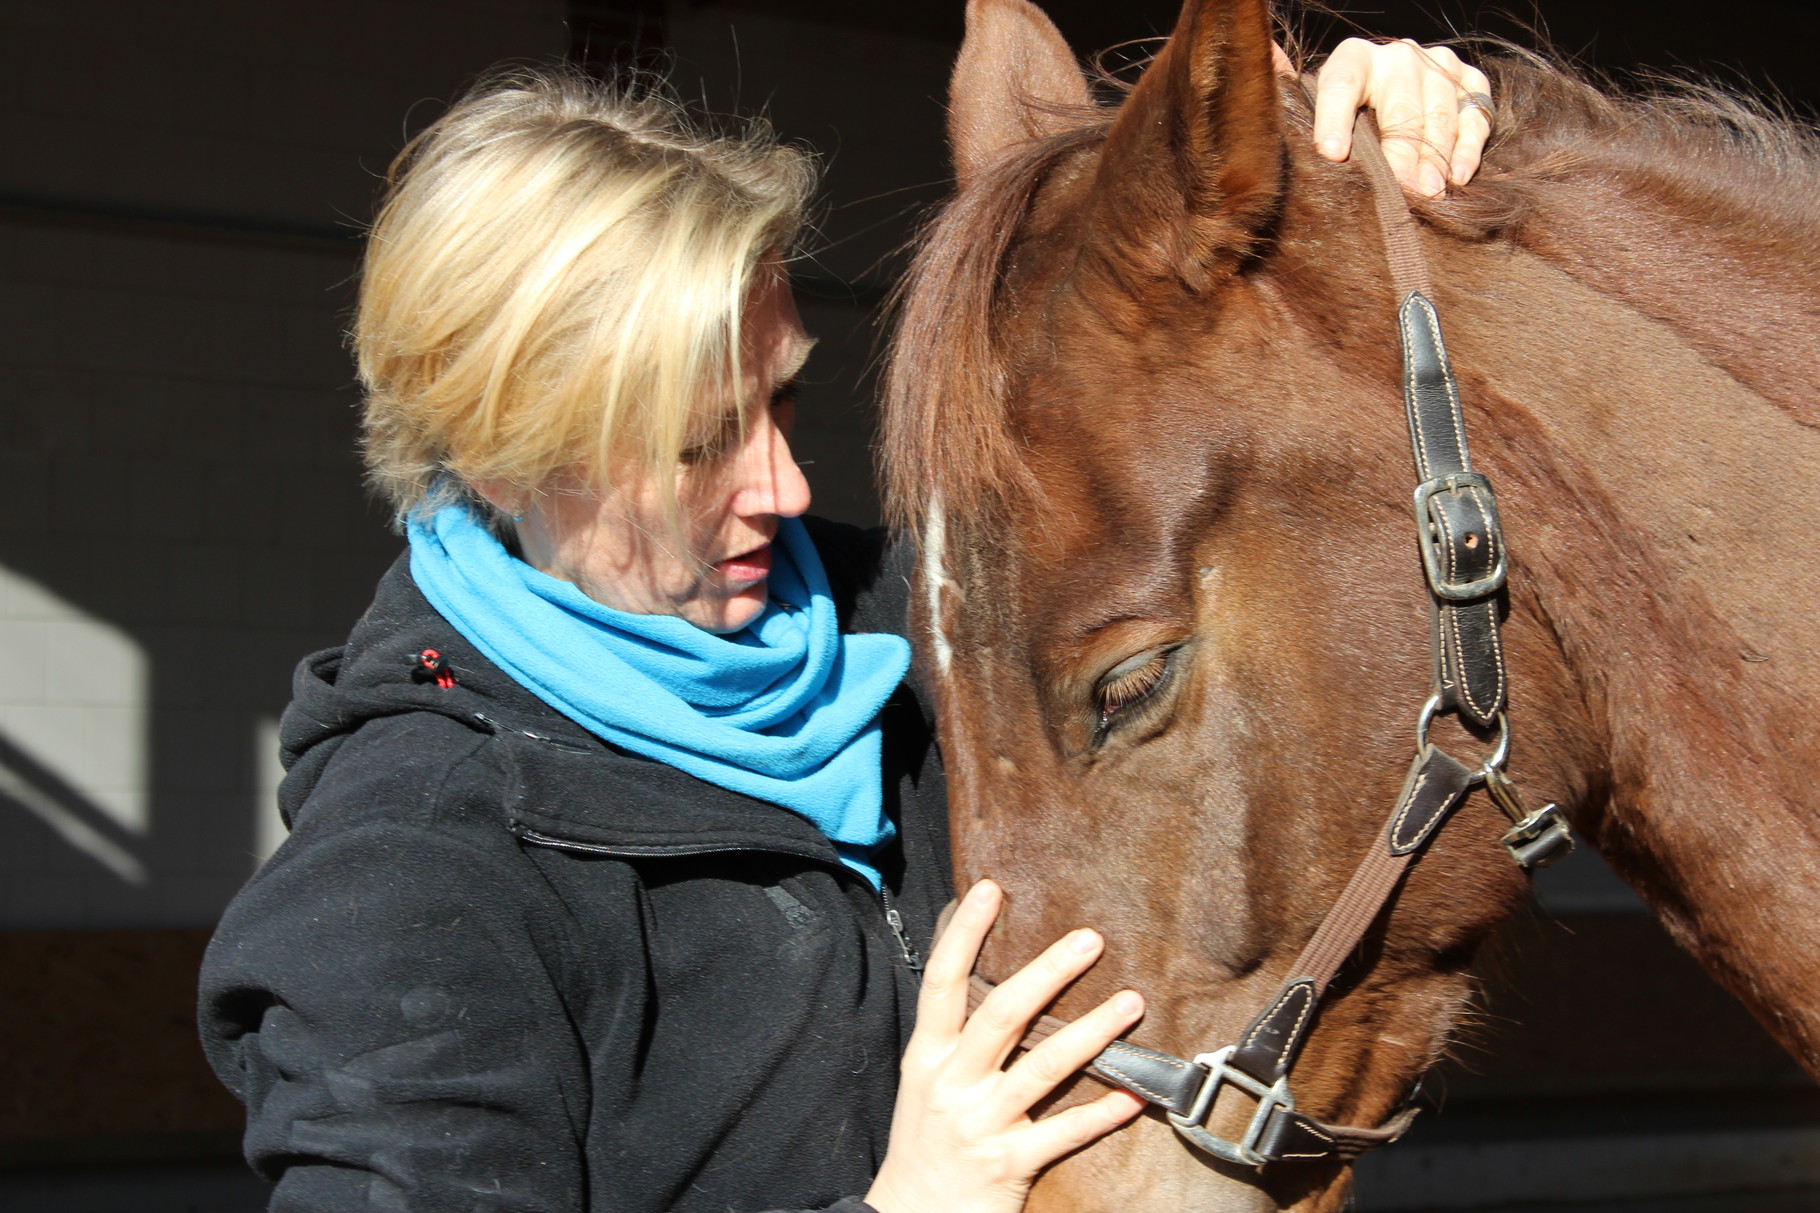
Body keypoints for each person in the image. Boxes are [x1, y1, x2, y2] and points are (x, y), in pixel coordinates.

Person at [198, 30, 1495, 1213]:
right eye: (699, 442)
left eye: (783, 404)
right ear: (503, 459)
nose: (787, 487)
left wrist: (1351, 152)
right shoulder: (410, 884)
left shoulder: (925, 628)